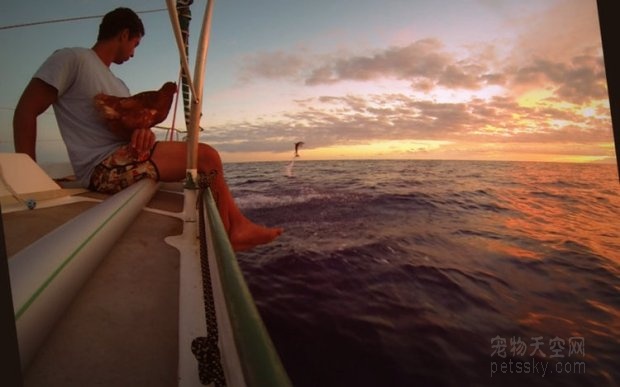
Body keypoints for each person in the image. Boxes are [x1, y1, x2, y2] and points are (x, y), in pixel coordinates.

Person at [13, 7, 281, 252]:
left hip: (126, 157)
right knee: (207, 157)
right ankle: (228, 237)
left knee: (206, 160)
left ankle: (236, 227)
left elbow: (127, 131)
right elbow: (26, 109)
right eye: (135, 44)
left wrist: (144, 134)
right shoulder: (72, 58)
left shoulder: (119, 85)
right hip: (102, 168)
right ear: (124, 34)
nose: (134, 53)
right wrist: (30, 176)